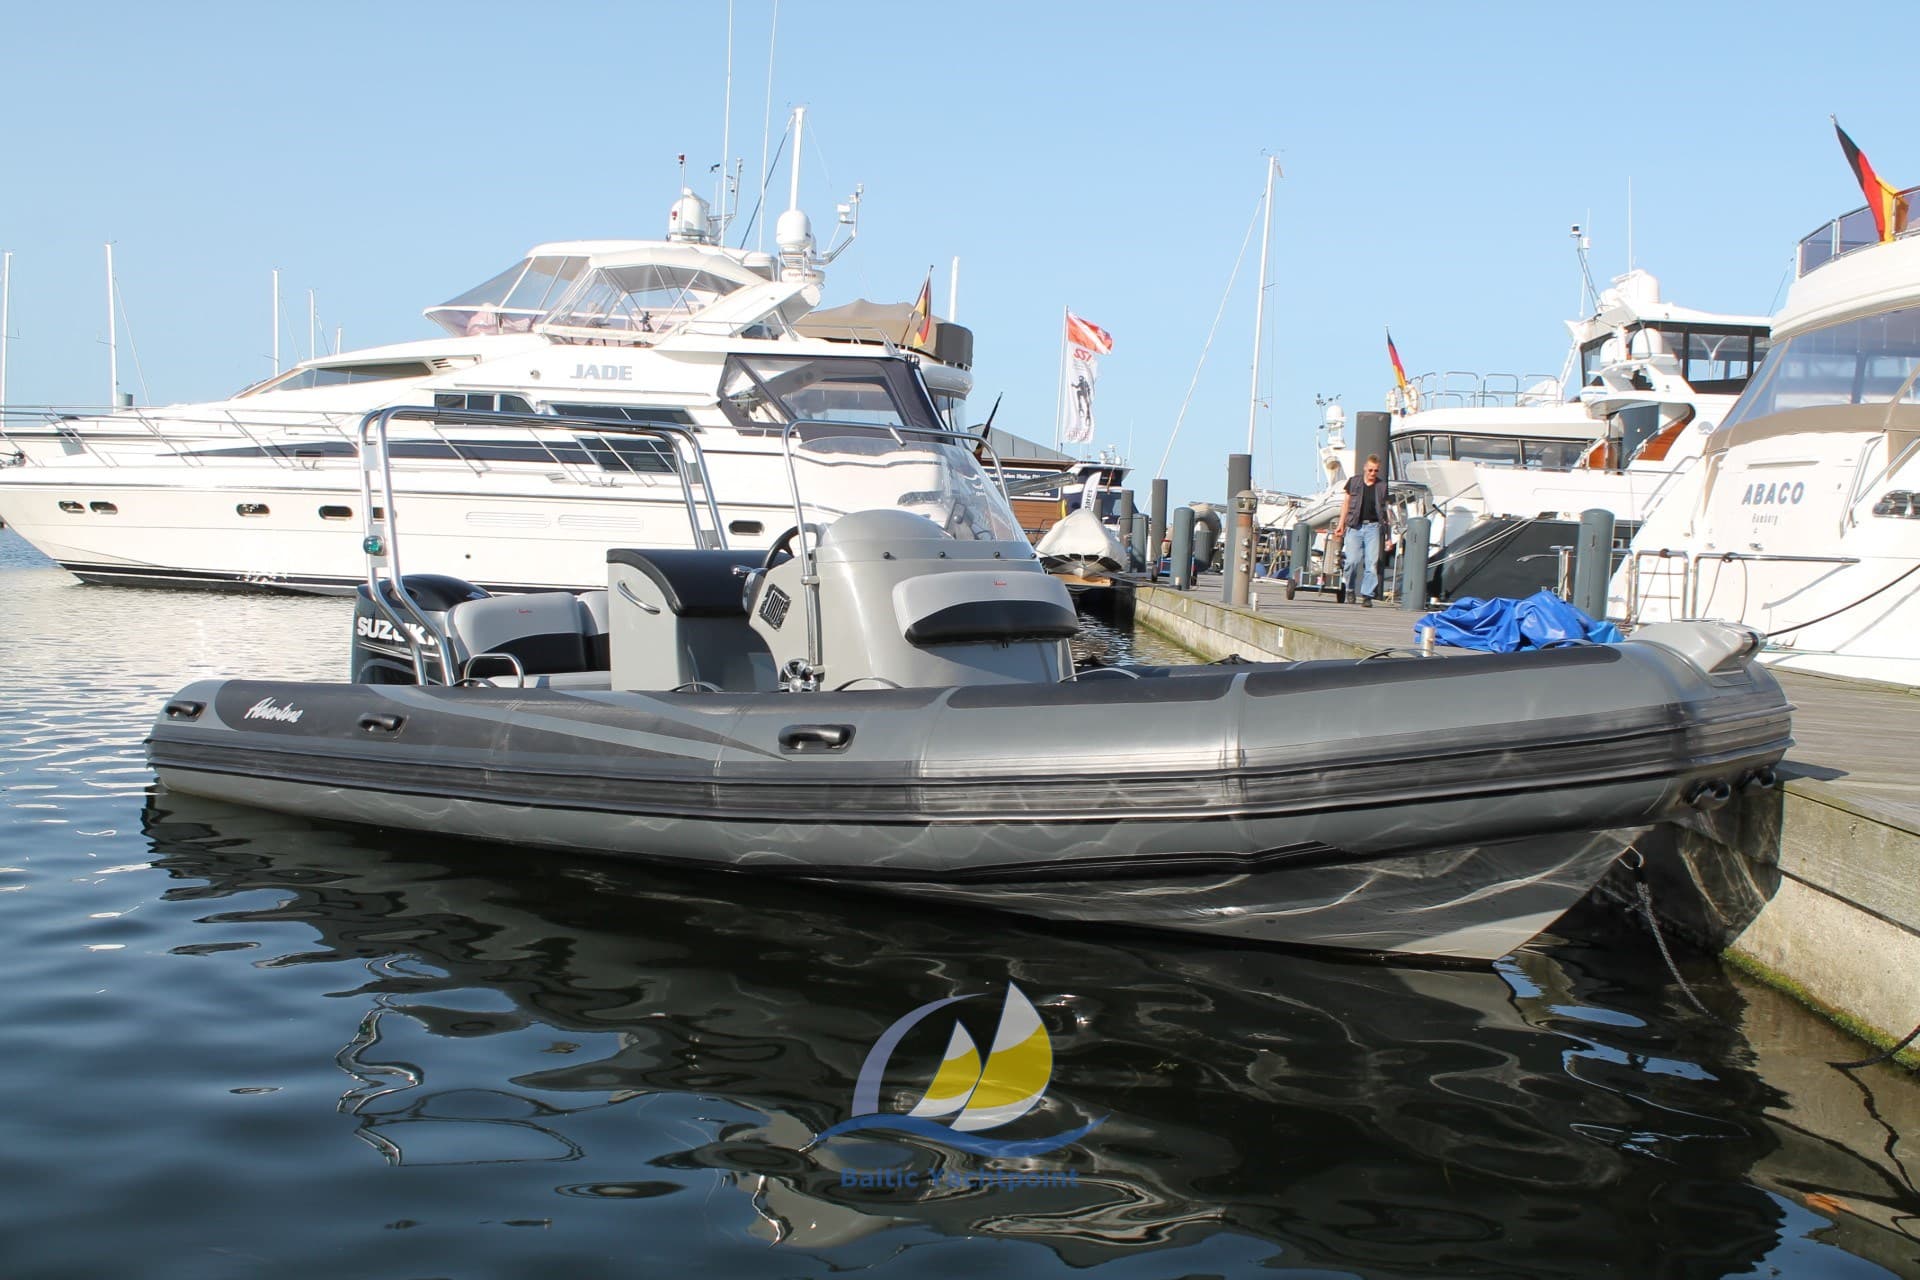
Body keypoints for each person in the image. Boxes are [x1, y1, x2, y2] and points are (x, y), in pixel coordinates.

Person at [1331, 454, 1392, 607]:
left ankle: (1367, 595)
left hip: (1373, 527)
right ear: (1365, 468)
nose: (1372, 473)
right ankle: (1350, 589)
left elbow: (1386, 512)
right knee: (1352, 561)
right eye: (1370, 470)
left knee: (1371, 563)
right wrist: (1341, 524)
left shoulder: (1382, 486)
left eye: (1376, 471)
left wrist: (1388, 536)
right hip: (1355, 527)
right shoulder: (1354, 482)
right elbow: (1346, 503)